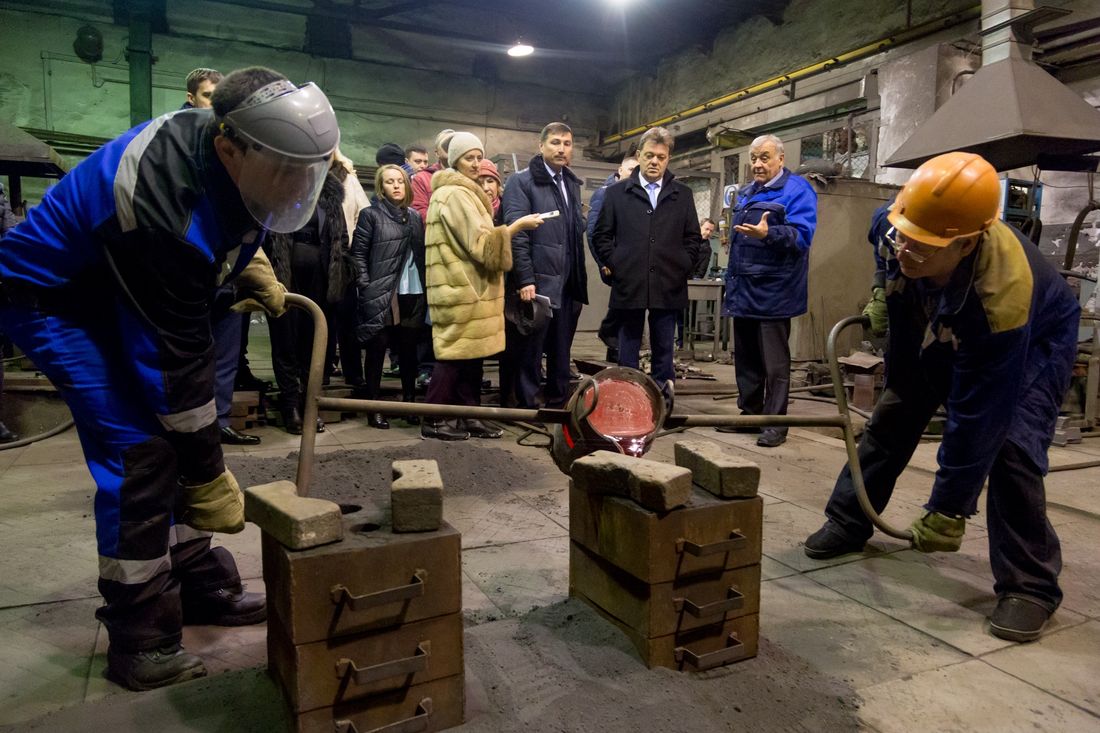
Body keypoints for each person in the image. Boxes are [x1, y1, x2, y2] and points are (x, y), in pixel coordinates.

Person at [0, 66, 340, 690]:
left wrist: (249, 263)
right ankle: (141, 636)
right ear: (228, 147)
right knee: (142, 451)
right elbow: (172, 365)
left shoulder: (242, 153)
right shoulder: (161, 204)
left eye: (306, 171)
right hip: (56, 299)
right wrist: (209, 473)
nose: (296, 184)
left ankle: (196, 584)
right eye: (285, 170)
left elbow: (236, 214)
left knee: (179, 433)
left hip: (125, 280)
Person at [803, 152, 1078, 644]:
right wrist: (880, 291)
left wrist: (950, 504)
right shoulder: (898, 227)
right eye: (902, 235)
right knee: (895, 412)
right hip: (935, 310)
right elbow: (888, 247)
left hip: (1034, 341)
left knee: (1011, 446)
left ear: (967, 241)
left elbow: (978, 413)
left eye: (923, 247)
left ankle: (1030, 587)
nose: (904, 249)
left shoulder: (1003, 293)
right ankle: (849, 520)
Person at [421, 131, 542, 440]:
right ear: (454, 160)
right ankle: (433, 419)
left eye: (478, 157)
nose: (476, 164)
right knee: (453, 355)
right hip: (461, 289)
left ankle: (469, 416)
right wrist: (516, 227)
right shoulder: (454, 195)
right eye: (468, 158)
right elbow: (481, 246)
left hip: (471, 288)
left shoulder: (464, 192)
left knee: (471, 356)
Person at [181, 68, 262, 446]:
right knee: (188, 355)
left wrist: (258, 270)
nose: (218, 104)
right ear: (192, 100)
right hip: (190, 277)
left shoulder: (242, 154)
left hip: (228, 278)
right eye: (210, 95)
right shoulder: (183, 151)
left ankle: (220, 421)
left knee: (226, 353)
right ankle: (187, 431)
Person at [719, 134, 817, 448]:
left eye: (765, 158)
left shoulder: (796, 190)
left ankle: (775, 425)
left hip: (774, 292)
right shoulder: (748, 192)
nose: (758, 164)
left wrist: (769, 233)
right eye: (754, 158)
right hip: (744, 290)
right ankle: (750, 415)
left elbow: (802, 236)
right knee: (745, 359)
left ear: (780, 160)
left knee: (775, 365)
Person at [592, 126, 707, 391]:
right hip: (629, 282)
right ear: (639, 155)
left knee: (664, 348)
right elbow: (601, 236)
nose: (655, 161)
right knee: (628, 346)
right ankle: (627, 397)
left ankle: (662, 401)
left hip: (669, 283)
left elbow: (693, 239)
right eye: (649, 155)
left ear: (668, 159)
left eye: (661, 157)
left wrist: (682, 266)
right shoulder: (616, 194)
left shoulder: (682, 195)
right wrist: (618, 263)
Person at [265, 153, 359, 435]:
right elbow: (267, 236)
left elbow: (340, 237)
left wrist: (340, 271)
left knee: (312, 342)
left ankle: (308, 404)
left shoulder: (330, 194)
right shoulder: (277, 194)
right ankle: (289, 405)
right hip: (285, 277)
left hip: (320, 277)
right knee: (285, 340)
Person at [501, 122, 589, 409]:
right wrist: (525, 279)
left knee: (561, 350)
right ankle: (526, 406)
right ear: (541, 146)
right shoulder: (521, 181)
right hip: (537, 283)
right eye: (555, 142)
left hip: (566, 282)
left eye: (566, 143)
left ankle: (557, 402)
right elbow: (516, 234)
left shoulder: (570, 184)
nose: (561, 148)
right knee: (530, 350)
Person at [350, 164, 426, 429]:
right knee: (376, 351)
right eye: (389, 181)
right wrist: (366, 285)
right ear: (381, 187)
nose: (396, 186)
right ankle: (374, 408)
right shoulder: (370, 215)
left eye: (400, 181)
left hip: (412, 292)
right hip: (383, 293)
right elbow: (357, 254)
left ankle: (409, 404)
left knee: (408, 354)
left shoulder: (415, 217)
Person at [477, 159, 504, 223]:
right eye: (479, 183)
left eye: (490, 181)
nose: (485, 188)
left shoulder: (509, 209)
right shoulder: (468, 210)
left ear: (497, 185)